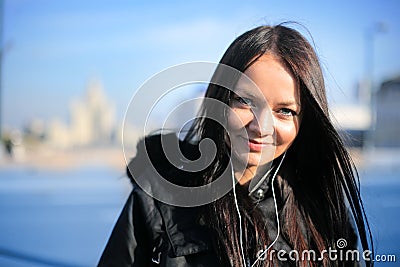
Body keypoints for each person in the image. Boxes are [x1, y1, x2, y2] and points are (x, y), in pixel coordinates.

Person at [98, 24, 373, 267]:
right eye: (246, 101)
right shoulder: (158, 204)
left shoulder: (323, 214)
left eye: (285, 111)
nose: (261, 126)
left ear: (305, 122)